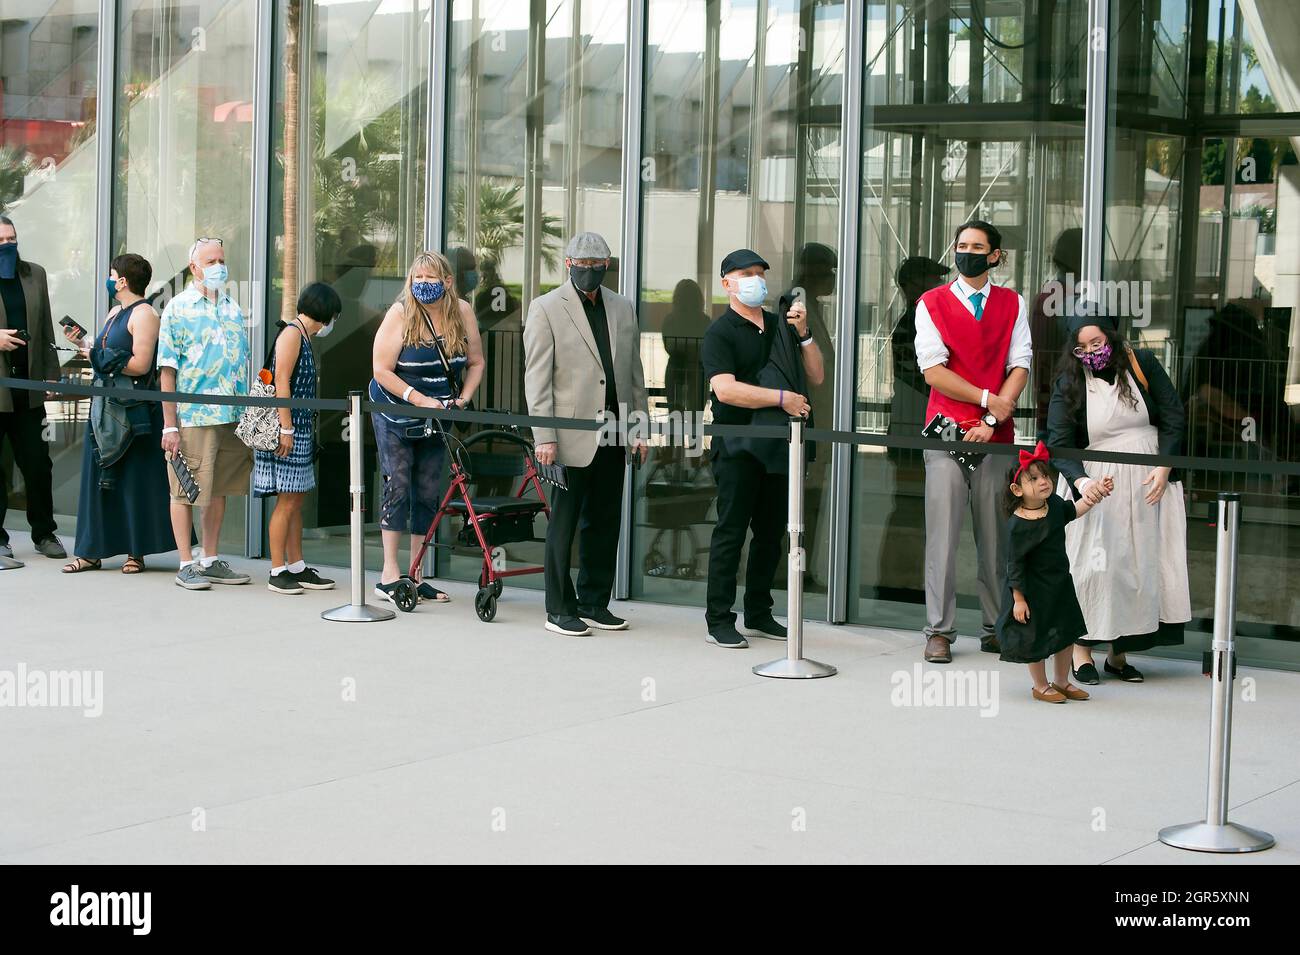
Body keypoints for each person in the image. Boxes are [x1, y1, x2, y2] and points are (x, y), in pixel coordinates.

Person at [1047, 315, 1191, 684]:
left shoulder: (1143, 363)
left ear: (1111, 338)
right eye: (1082, 348)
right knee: (1096, 566)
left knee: (1139, 565)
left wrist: (1164, 466)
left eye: (1097, 343)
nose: (1091, 352)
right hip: (1100, 483)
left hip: (1149, 480)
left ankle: (1118, 654)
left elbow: (1173, 413)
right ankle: (1082, 650)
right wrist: (1080, 481)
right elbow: (1059, 440)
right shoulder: (1069, 382)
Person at [915, 219, 1031, 663]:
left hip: (995, 434)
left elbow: (1020, 362)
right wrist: (988, 400)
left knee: (996, 536)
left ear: (995, 255)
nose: (967, 252)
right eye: (961, 245)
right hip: (946, 431)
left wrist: (992, 414)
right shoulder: (932, 302)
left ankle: (996, 626)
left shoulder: (1012, 303)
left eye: (977, 246)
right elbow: (933, 371)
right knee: (941, 536)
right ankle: (938, 631)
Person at [523, 232, 648, 636]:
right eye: (582, 265)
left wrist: (638, 428)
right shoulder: (545, 308)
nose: (589, 273)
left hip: (614, 433)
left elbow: (634, 374)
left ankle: (594, 602)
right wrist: (544, 436)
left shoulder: (623, 307)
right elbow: (537, 380)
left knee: (605, 522)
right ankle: (559, 609)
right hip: (568, 436)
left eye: (597, 267)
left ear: (606, 267)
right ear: (568, 263)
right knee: (564, 523)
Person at [700, 248, 825, 648]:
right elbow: (726, 389)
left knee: (772, 534)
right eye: (745, 273)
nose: (755, 279)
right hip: (737, 446)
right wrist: (780, 398)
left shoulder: (779, 325)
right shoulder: (720, 332)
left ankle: (758, 612)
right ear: (727, 283)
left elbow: (817, 375)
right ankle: (719, 619)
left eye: (759, 272)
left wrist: (804, 334)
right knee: (731, 532)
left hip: (778, 447)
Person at [370, 250, 485, 606]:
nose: (422, 285)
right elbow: (381, 370)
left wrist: (462, 398)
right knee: (398, 485)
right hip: (396, 413)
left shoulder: (462, 312)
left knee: (427, 491)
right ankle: (390, 573)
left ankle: (416, 573)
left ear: (447, 282)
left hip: (438, 416)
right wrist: (416, 398)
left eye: (430, 278)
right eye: (417, 278)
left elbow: (477, 361)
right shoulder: (401, 313)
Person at [60, 253, 176, 573]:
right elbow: (101, 355)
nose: (110, 279)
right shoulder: (115, 312)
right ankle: (91, 551)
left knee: (134, 480)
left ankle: (134, 552)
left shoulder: (145, 314)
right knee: (98, 478)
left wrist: (103, 356)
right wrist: (83, 344)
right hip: (104, 406)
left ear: (122, 281)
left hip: (134, 409)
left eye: (112, 274)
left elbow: (140, 363)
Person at [157, 237, 254, 590]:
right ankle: (186, 562)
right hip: (194, 415)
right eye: (210, 260)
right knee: (185, 488)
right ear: (194, 267)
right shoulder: (177, 309)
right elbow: (167, 370)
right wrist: (170, 425)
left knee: (219, 489)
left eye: (221, 259)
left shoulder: (231, 307)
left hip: (231, 415)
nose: (218, 266)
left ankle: (210, 558)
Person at [996, 443, 1111, 703]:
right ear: (1017, 490)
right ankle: (1040, 684)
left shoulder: (1055, 506)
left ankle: (1061, 681)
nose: (1043, 481)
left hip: (1059, 583)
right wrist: (1019, 599)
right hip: (1032, 589)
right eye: (1033, 479)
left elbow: (1075, 510)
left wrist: (1097, 494)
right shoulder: (1018, 524)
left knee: (1065, 631)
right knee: (1034, 636)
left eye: (1045, 475)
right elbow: (1014, 564)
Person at [253, 282, 340, 595]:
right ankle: (278, 569)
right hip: (287, 428)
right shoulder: (292, 333)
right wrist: (286, 428)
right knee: (287, 500)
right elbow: (281, 382)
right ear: (325, 312)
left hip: (300, 427)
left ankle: (297, 565)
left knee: (296, 499)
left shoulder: (303, 334)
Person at [0, 214, 66, 560]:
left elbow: (45, 331)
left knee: (39, 464)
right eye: (1, 241)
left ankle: (44, 533)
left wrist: (51, 374)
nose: (8, 245)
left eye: (12, 238)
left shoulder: (34, 273)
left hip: (29, 389)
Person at [777, 242, 837, 590]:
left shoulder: (812, 307)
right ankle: (791, 572)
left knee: (810, 500)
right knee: (799, 501)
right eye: (828, 270)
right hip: (803, 422)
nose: (832, 278)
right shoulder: (796, 307)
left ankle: (802, 570)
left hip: (819, 421)